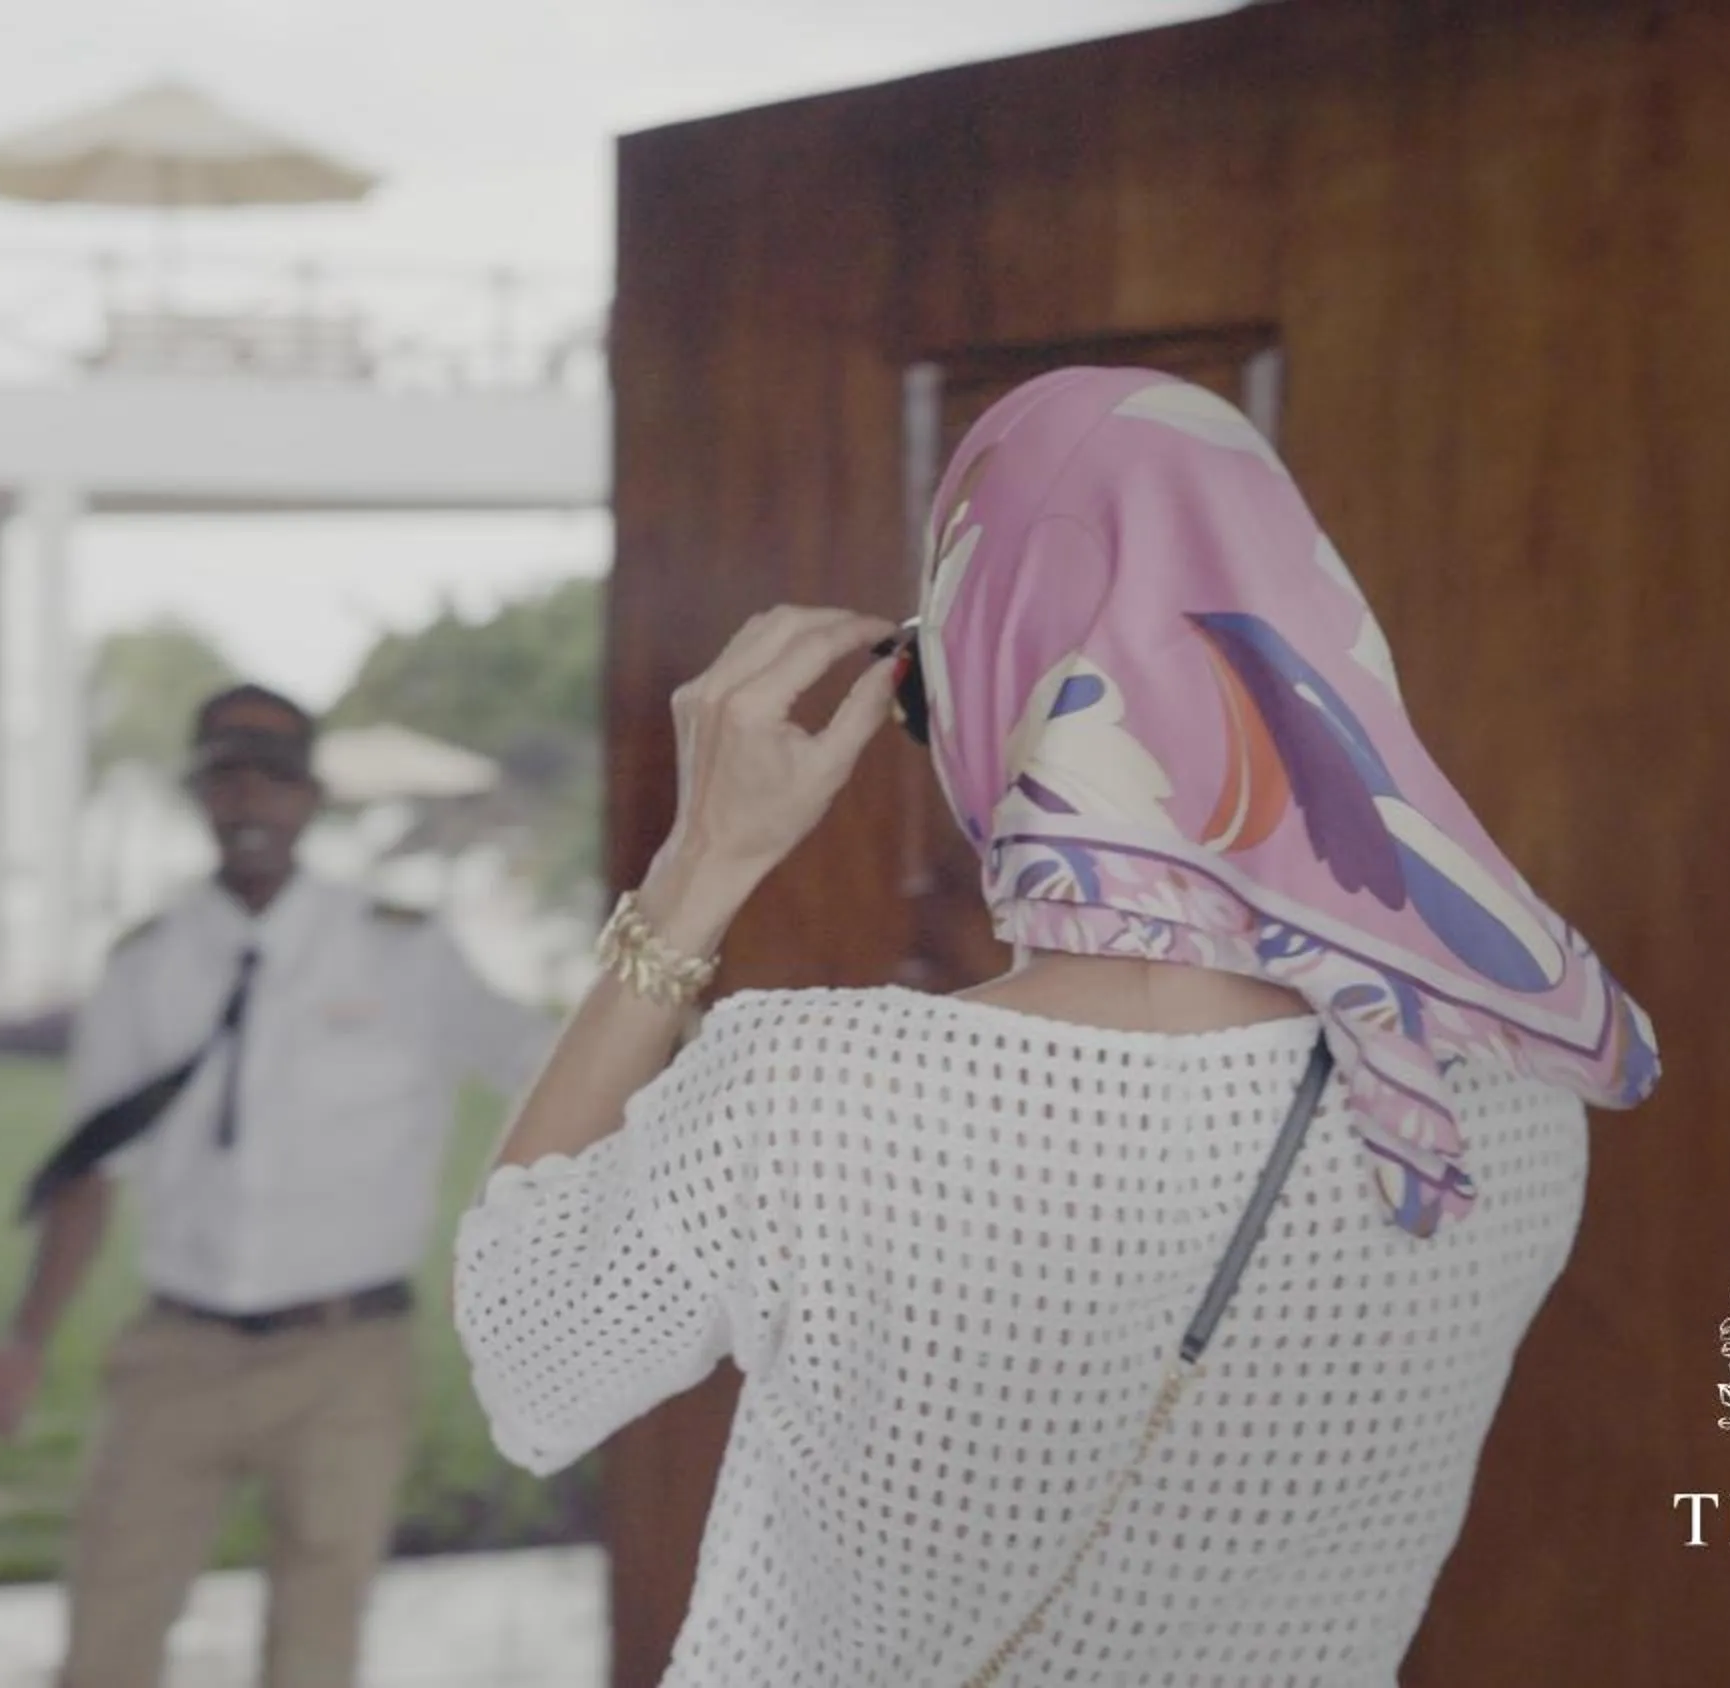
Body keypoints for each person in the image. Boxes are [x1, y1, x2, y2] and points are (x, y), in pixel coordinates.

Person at [448, 368, 1662, 1686]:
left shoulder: (810, 1092)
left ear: (973, 678)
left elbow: (530, 1371)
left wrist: (700, 865)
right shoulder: (1496, 1102)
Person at [0, 682, 554, 1688]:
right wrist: (27, 1336)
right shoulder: (145, 965)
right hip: (177, 1352)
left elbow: (547, 1069)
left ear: (310, 800)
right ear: (200, 796)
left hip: (346, 1355)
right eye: (227, 780)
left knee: (316, 1647)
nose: (250, 803)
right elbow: (90, 1169)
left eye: (274, 782)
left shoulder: (403, 949)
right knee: (107, 1632)